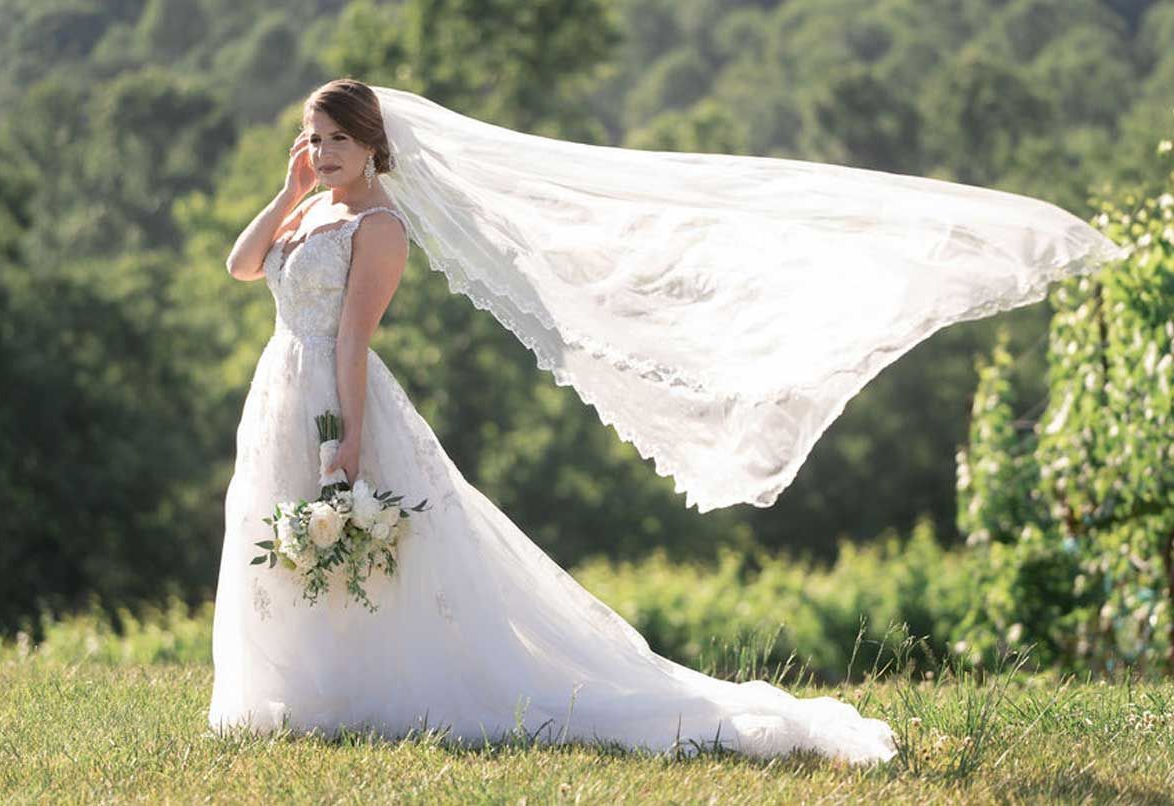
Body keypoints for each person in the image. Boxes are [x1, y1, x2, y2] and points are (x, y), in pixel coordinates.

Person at [207, 77, 1119, 763]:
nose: (320, 151)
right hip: (278, 390)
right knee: (281, 540)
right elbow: (243, 269)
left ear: (373, 146)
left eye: (335, 140)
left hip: (334, 394)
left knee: (355, 541)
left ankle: (376, 690)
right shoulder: (312, 211)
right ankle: (304, 692)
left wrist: (346, 449)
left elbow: (353, 345)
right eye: (312, 137)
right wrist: (290, 192)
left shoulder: (378, 230)